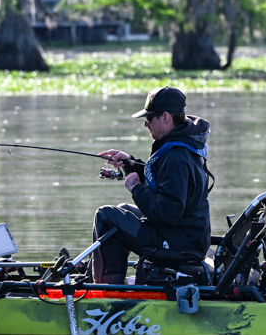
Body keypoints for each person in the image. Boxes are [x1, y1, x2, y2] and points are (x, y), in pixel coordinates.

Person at [91, 86, 212, 284]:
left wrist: (136, 189)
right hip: (187, 236)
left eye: (149, 118)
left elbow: (168, 213)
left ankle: (106, 290)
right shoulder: (183, 144)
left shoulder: (176, 157)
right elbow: (163, 183)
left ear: (165, 117)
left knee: (106, 216)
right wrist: (130, 163)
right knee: (122, 209)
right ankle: (108, 276)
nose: (145, 124)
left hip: (178, 244)